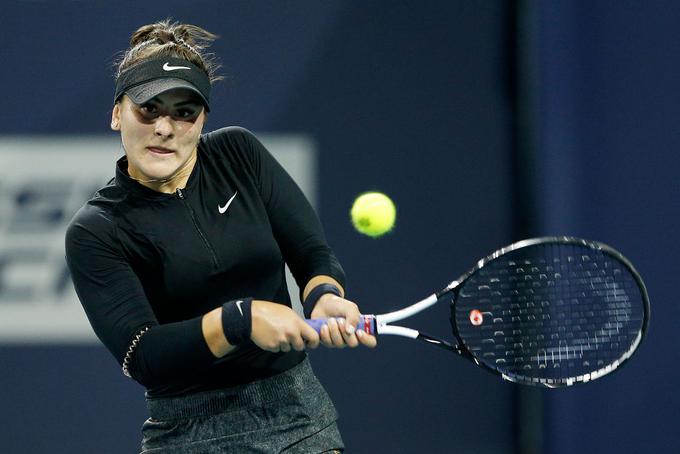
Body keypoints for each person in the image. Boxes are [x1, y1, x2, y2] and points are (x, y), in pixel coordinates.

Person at [65, 19, 376, 453]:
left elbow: (310, 251)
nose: (165, 127)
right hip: (186, 436)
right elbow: (143, 356)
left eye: (184, 111)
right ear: (118, 113)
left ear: (202, 119)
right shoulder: (97, 229)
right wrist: (240, 320)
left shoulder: (239, 153)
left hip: (299, 420)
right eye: (148, 108)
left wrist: (324, 294)